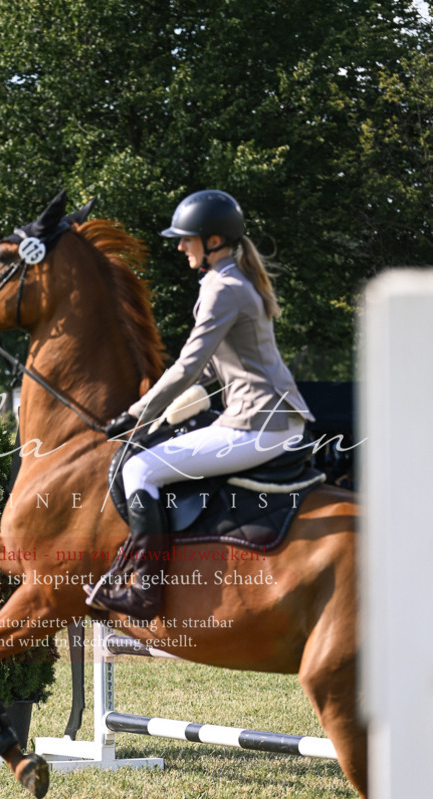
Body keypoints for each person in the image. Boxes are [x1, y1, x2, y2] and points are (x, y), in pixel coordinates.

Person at [87, 189, 313, 619]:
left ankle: (145, 592)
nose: (179, 246)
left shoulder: (224, 287)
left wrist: (139, 412)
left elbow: (190, 365)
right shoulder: (228, 282)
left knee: (140, 469)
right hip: (266, 417)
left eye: (186, 239)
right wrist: (157, 410)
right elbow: (210, 369)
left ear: (213, 241)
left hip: (258, 424)